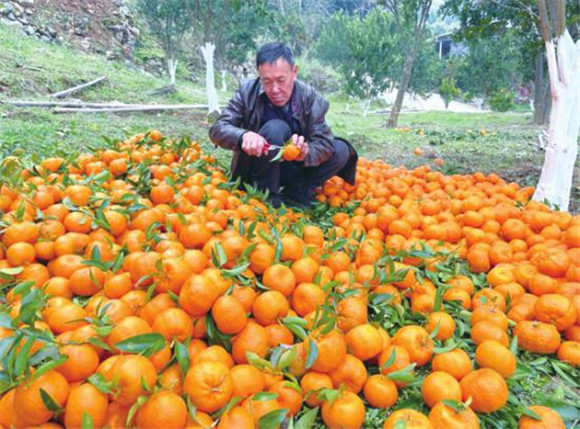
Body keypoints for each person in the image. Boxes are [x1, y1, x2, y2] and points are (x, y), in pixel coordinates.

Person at [209, 42, 357, 208]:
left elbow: (324, 143)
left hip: (291, 168)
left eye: (281, 80)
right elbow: (218, 128)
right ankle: (265, 194)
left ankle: (296, 191)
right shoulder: (247, 92)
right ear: (259, 75)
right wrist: (243, 135)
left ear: (294, 72)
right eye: (267, 81)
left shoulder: (309, 98)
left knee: (341, 149)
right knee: (276, 128)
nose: (275, 89)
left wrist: (306, 152)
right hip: (256, 169)